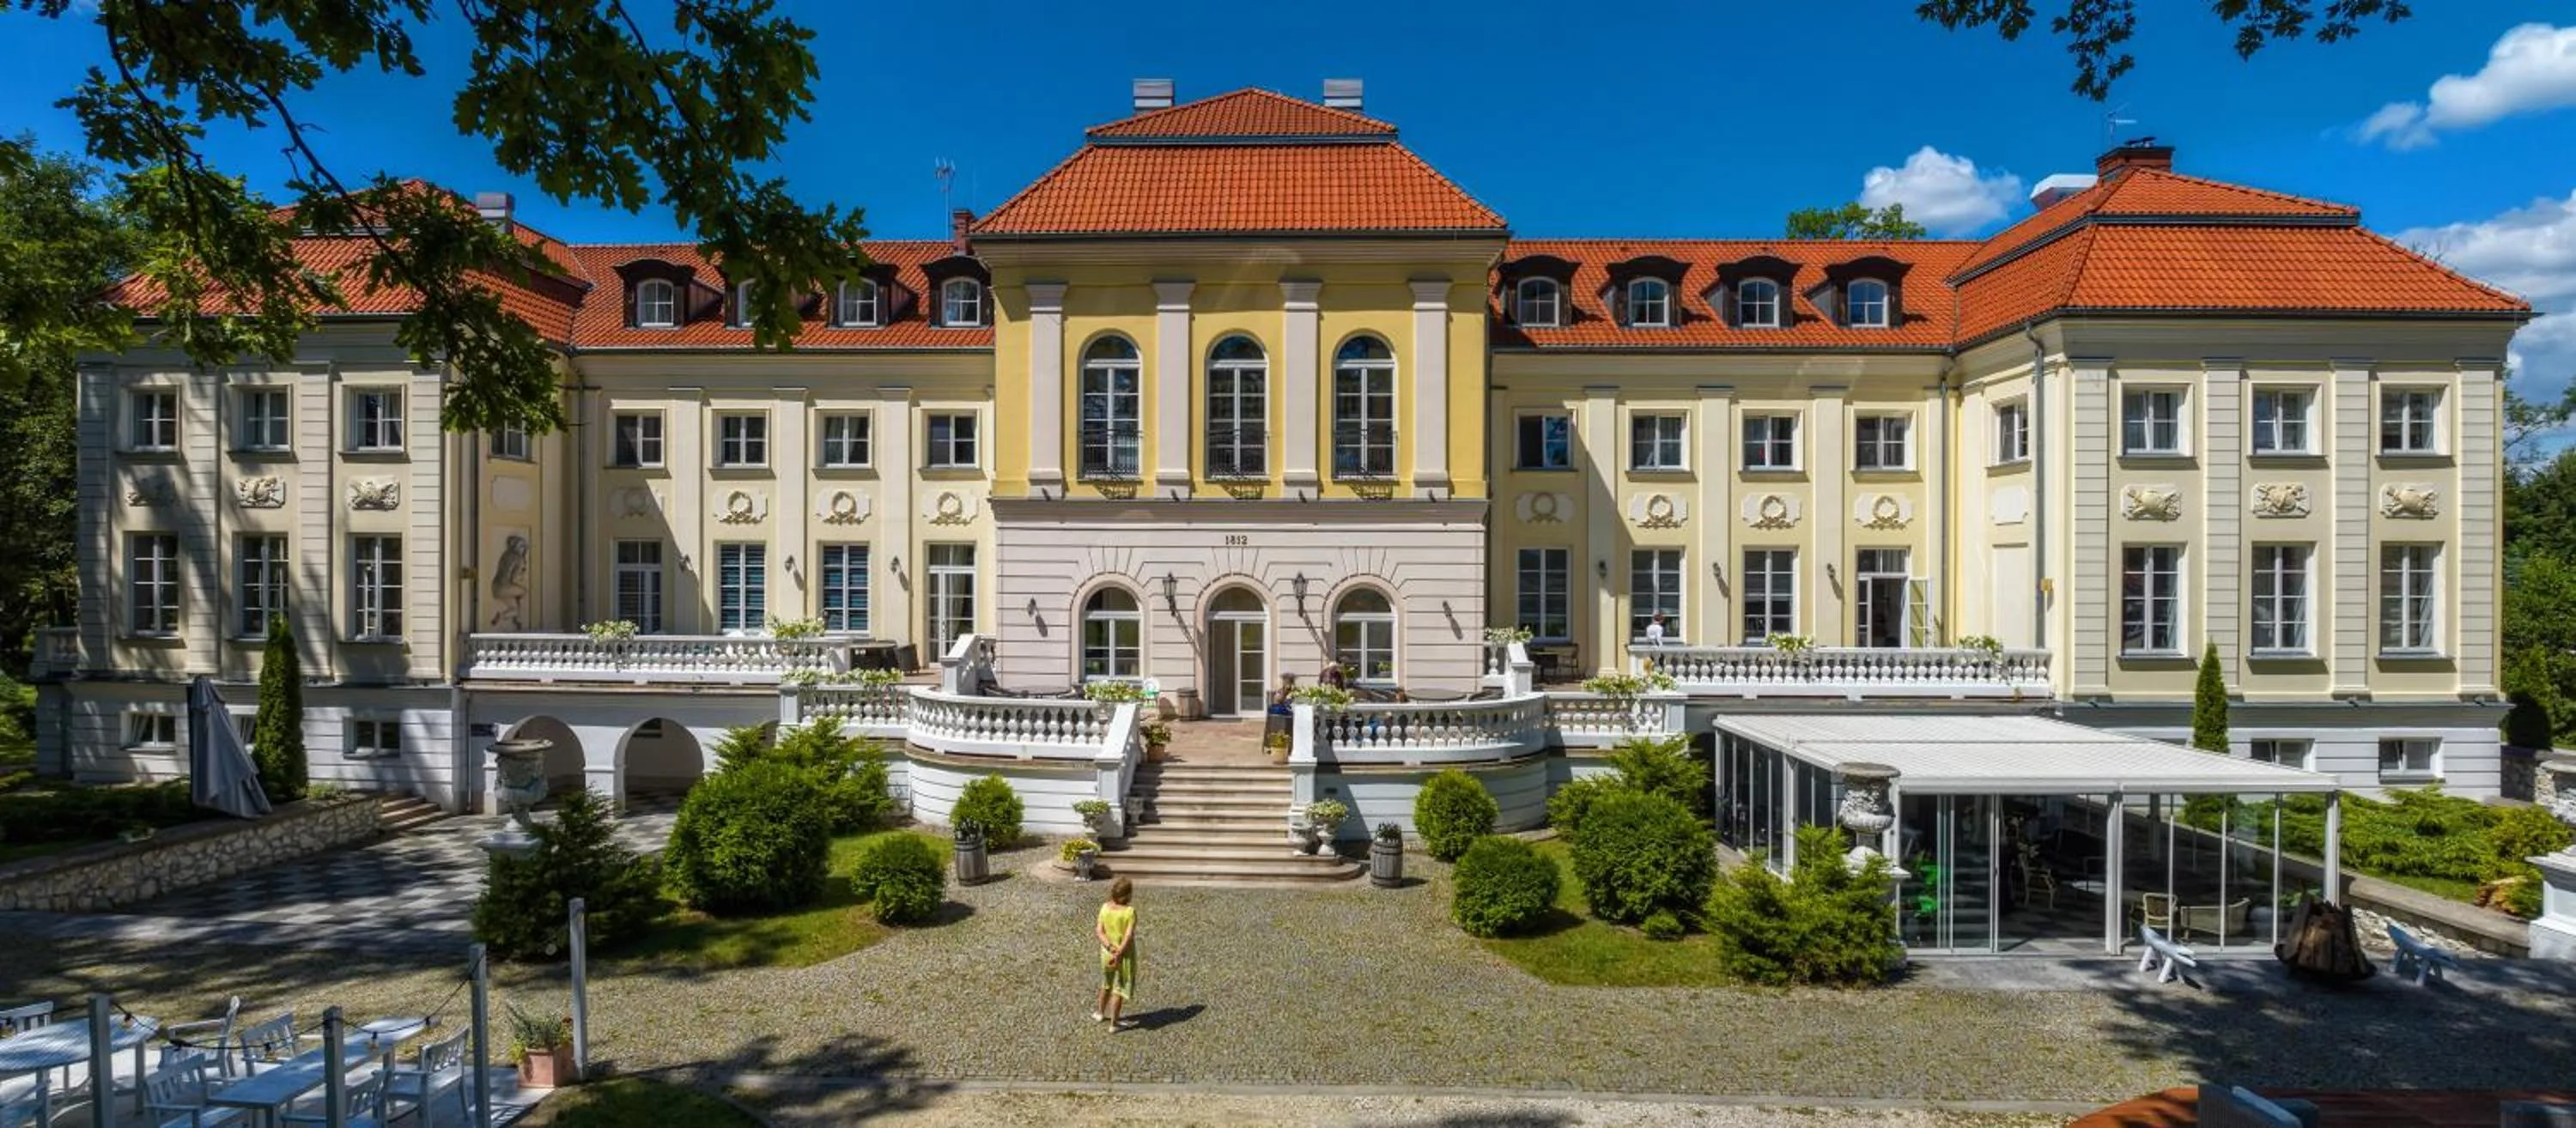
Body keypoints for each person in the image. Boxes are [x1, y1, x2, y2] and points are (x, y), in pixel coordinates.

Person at [1092, 876, 1139, 1029]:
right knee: (1118, 988)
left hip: (1106, 953)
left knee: (1106, 983)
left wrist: (1110, 947)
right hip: (1124, 955)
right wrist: (1119, 952)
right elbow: (1128, 935)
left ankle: (1100, 1013)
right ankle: (1115, 1023)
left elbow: (1099, 931)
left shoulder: (1104, 907)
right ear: (1127, 895)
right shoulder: (1130, 912)